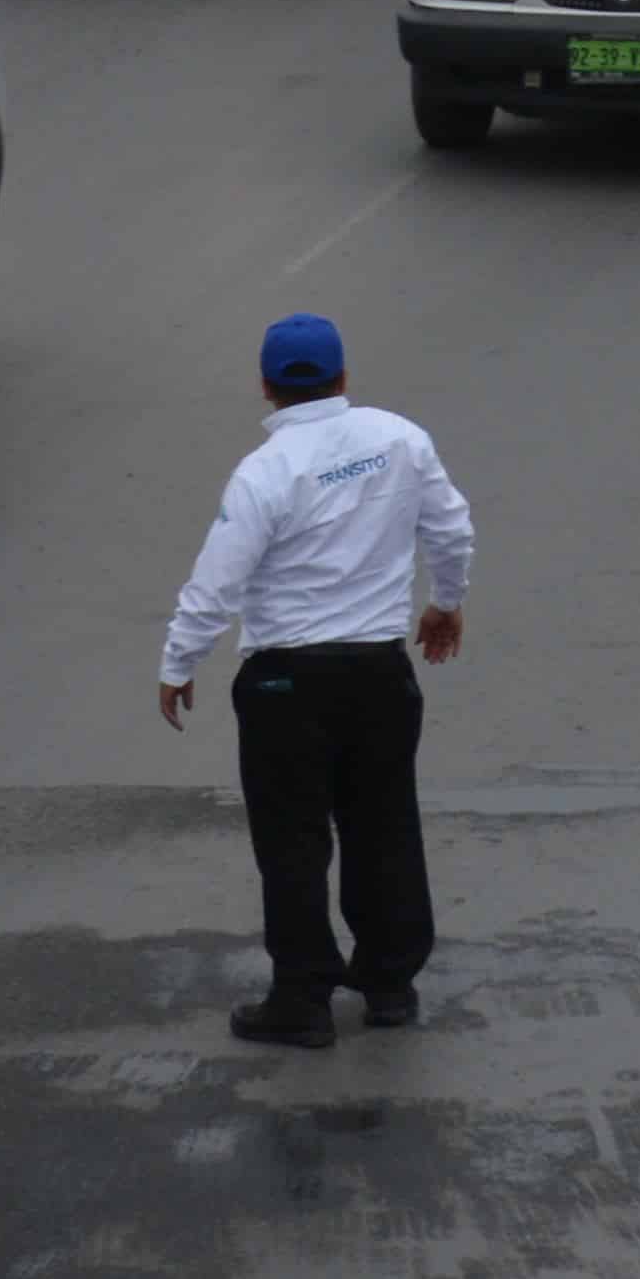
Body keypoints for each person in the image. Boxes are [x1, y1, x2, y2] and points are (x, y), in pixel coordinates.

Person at [159, 312, 477, 1049]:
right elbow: (452, 530)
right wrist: (446, 603)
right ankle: (390, 985)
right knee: (384, 824)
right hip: (378, 674)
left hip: (285, 685)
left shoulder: (265, 472)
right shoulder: (401, 440)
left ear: (266, 387)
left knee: (293, 840)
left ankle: (302, 1000)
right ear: (343, 377)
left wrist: (179, 663)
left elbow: (217, 584)